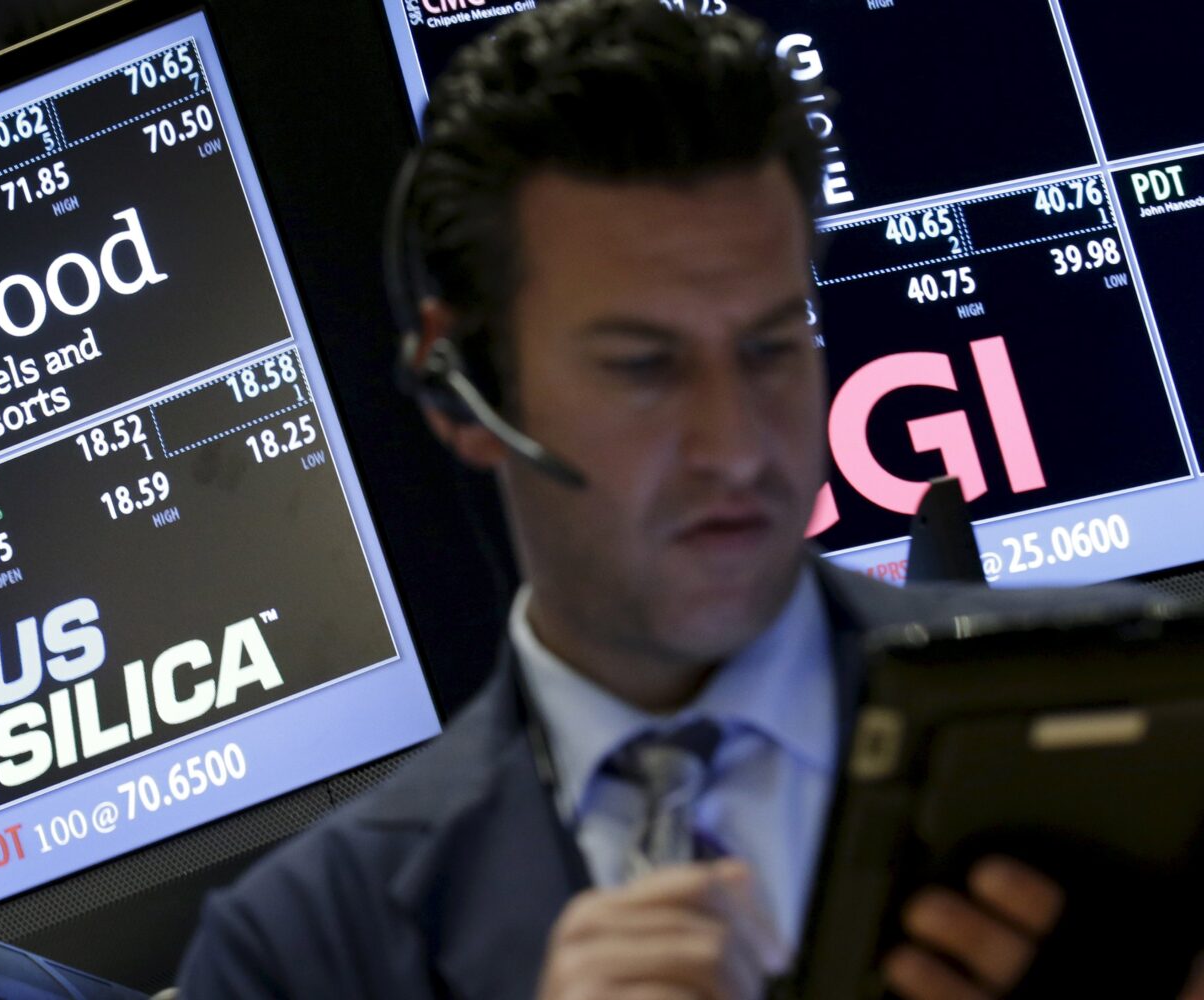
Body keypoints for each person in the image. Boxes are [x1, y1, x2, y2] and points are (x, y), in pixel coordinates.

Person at [176, 2, 1178, 997]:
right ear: (463, 389)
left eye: (771, 346)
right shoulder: (292, 955)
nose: (734, 448)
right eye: (643, 367)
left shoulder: (1160, 722)